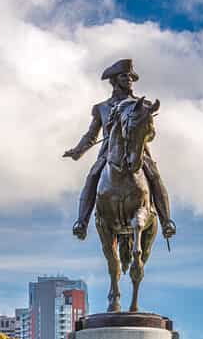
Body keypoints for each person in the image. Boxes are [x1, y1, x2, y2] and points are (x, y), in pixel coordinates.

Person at [63, 59, 176, 240]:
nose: (129, 79)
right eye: (125, 76)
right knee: (92, 176)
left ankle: (166, 222)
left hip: (138, 152)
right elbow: (92, 135)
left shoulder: (143, 106)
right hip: (109, 153)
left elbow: (151, 134)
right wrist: (78, 150)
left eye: (131, 77)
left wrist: (140, 136)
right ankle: (81, 222)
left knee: (154, 176)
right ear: (115, 80)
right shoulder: (101, 108)